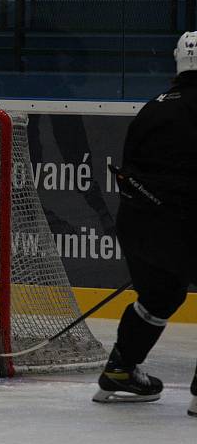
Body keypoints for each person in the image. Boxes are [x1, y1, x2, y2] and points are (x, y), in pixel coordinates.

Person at [92, 31, 197, 416]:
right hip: (187, 224)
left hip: (139, 226)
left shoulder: (154, 107)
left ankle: (120, 370)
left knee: (159, 297)